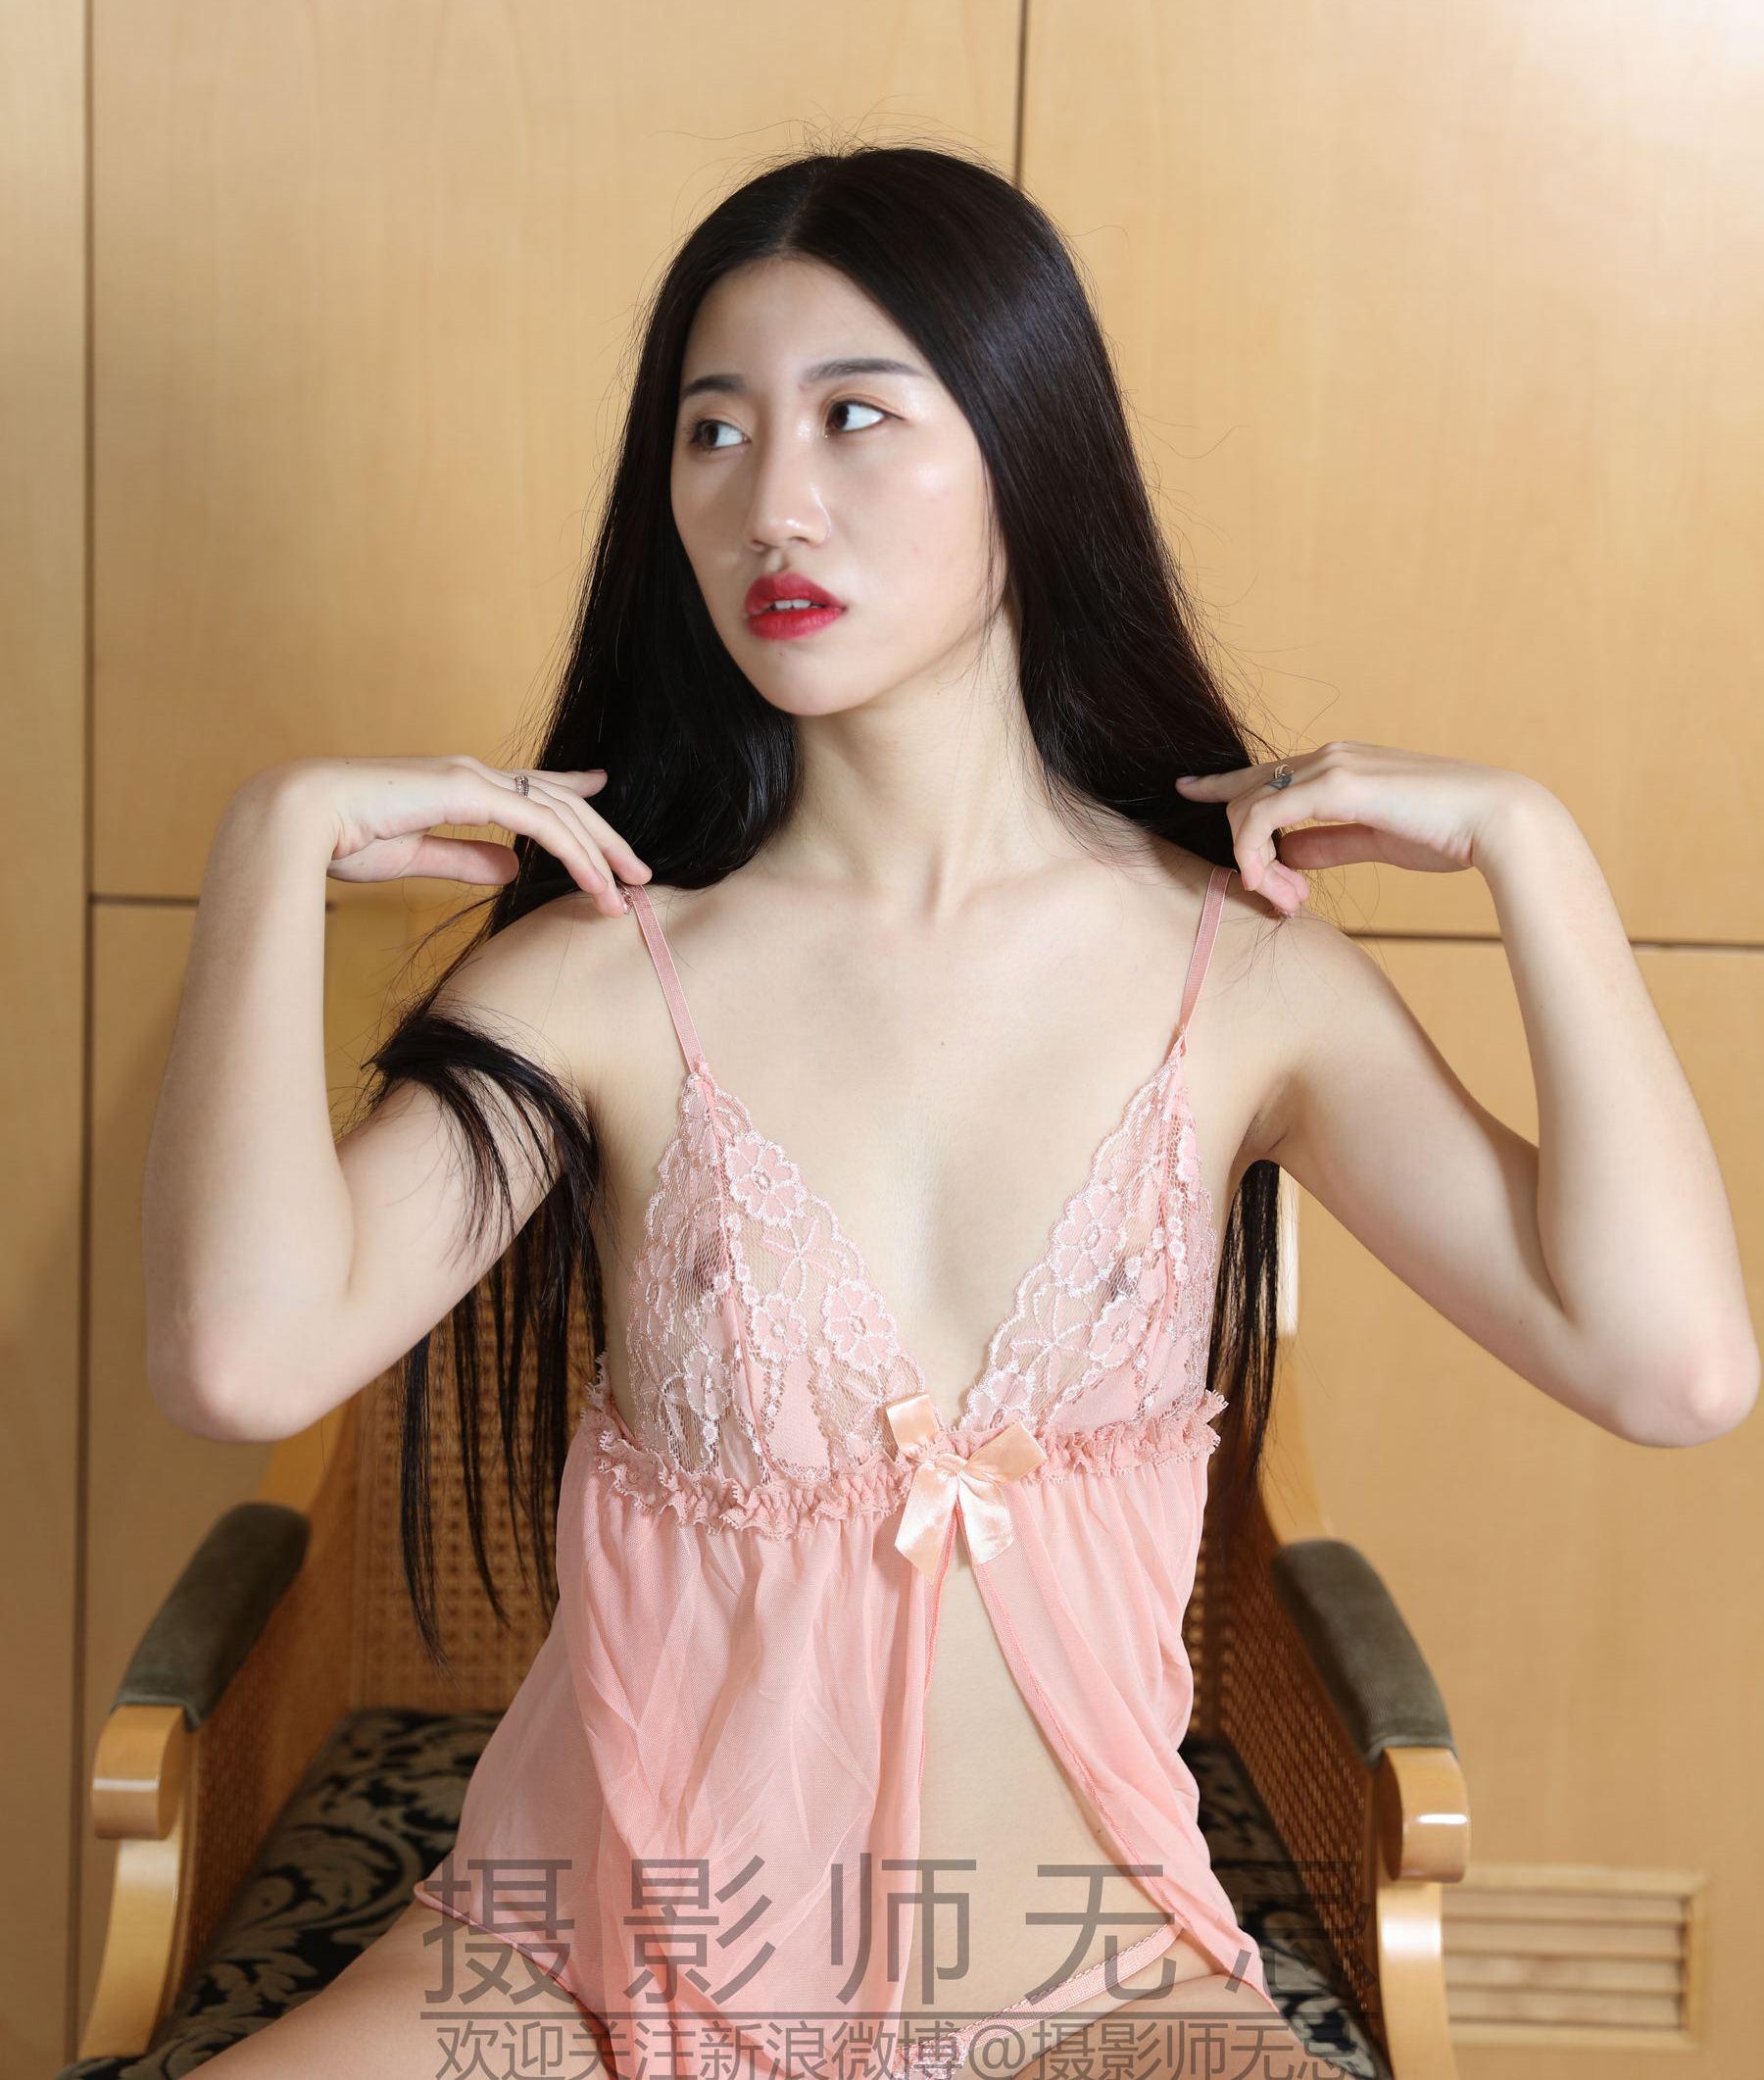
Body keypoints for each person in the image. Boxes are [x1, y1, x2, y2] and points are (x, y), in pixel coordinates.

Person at [143, 142, 1757, 2079]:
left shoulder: (1237, 979)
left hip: (1083, 1985)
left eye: (855, 416)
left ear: (1029, 452)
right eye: (712, 432)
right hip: (580, 1965)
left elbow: (1671, 1368)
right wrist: (268, 853)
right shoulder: (604, 978)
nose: (770, 501)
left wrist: (1536, 853)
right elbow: (240, 1360)